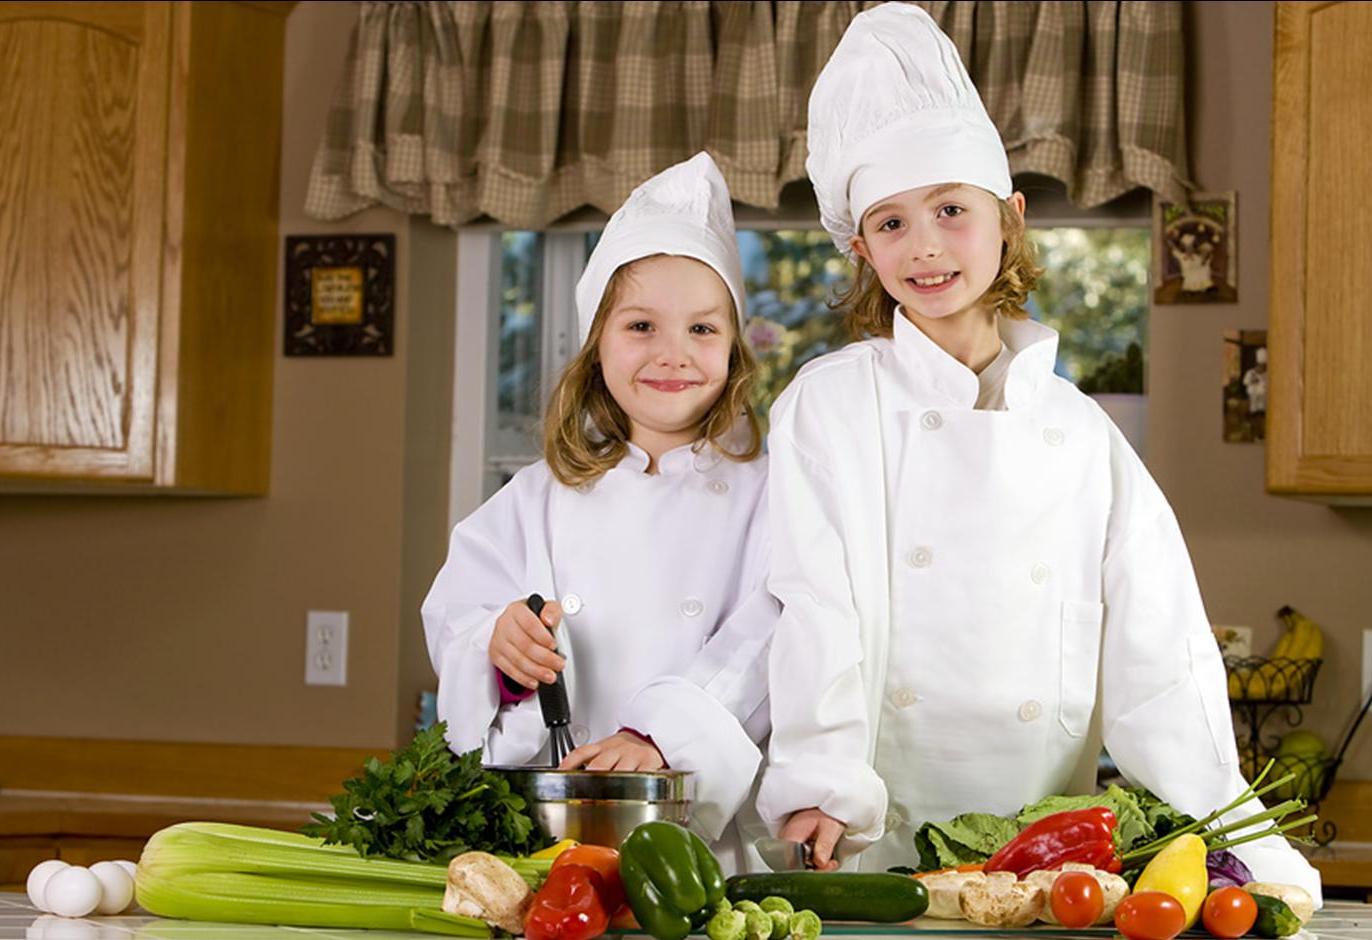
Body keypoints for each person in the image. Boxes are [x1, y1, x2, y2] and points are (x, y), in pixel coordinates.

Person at [757, 2, 1321, 902]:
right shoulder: (828, 406)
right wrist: (820, 785)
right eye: (892, 224)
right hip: (870, 837)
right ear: (861, 249)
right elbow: (814, 607)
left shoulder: (1080, 431)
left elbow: (1159, 644)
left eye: (951, 208)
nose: (926, 245)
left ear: (1010, 218)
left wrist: (1236, 833)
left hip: (1052, 854)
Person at [421, 152, 776, 871]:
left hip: (708, 837)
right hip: (553, 837)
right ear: (596, 347)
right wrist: (502, 648)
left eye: (703, 330)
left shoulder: (772, 495)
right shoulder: (535, 497)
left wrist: (660, 740)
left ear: (734, 351)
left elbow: (766, 641)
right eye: (641, 326)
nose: (672, 354)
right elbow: (458, 620)